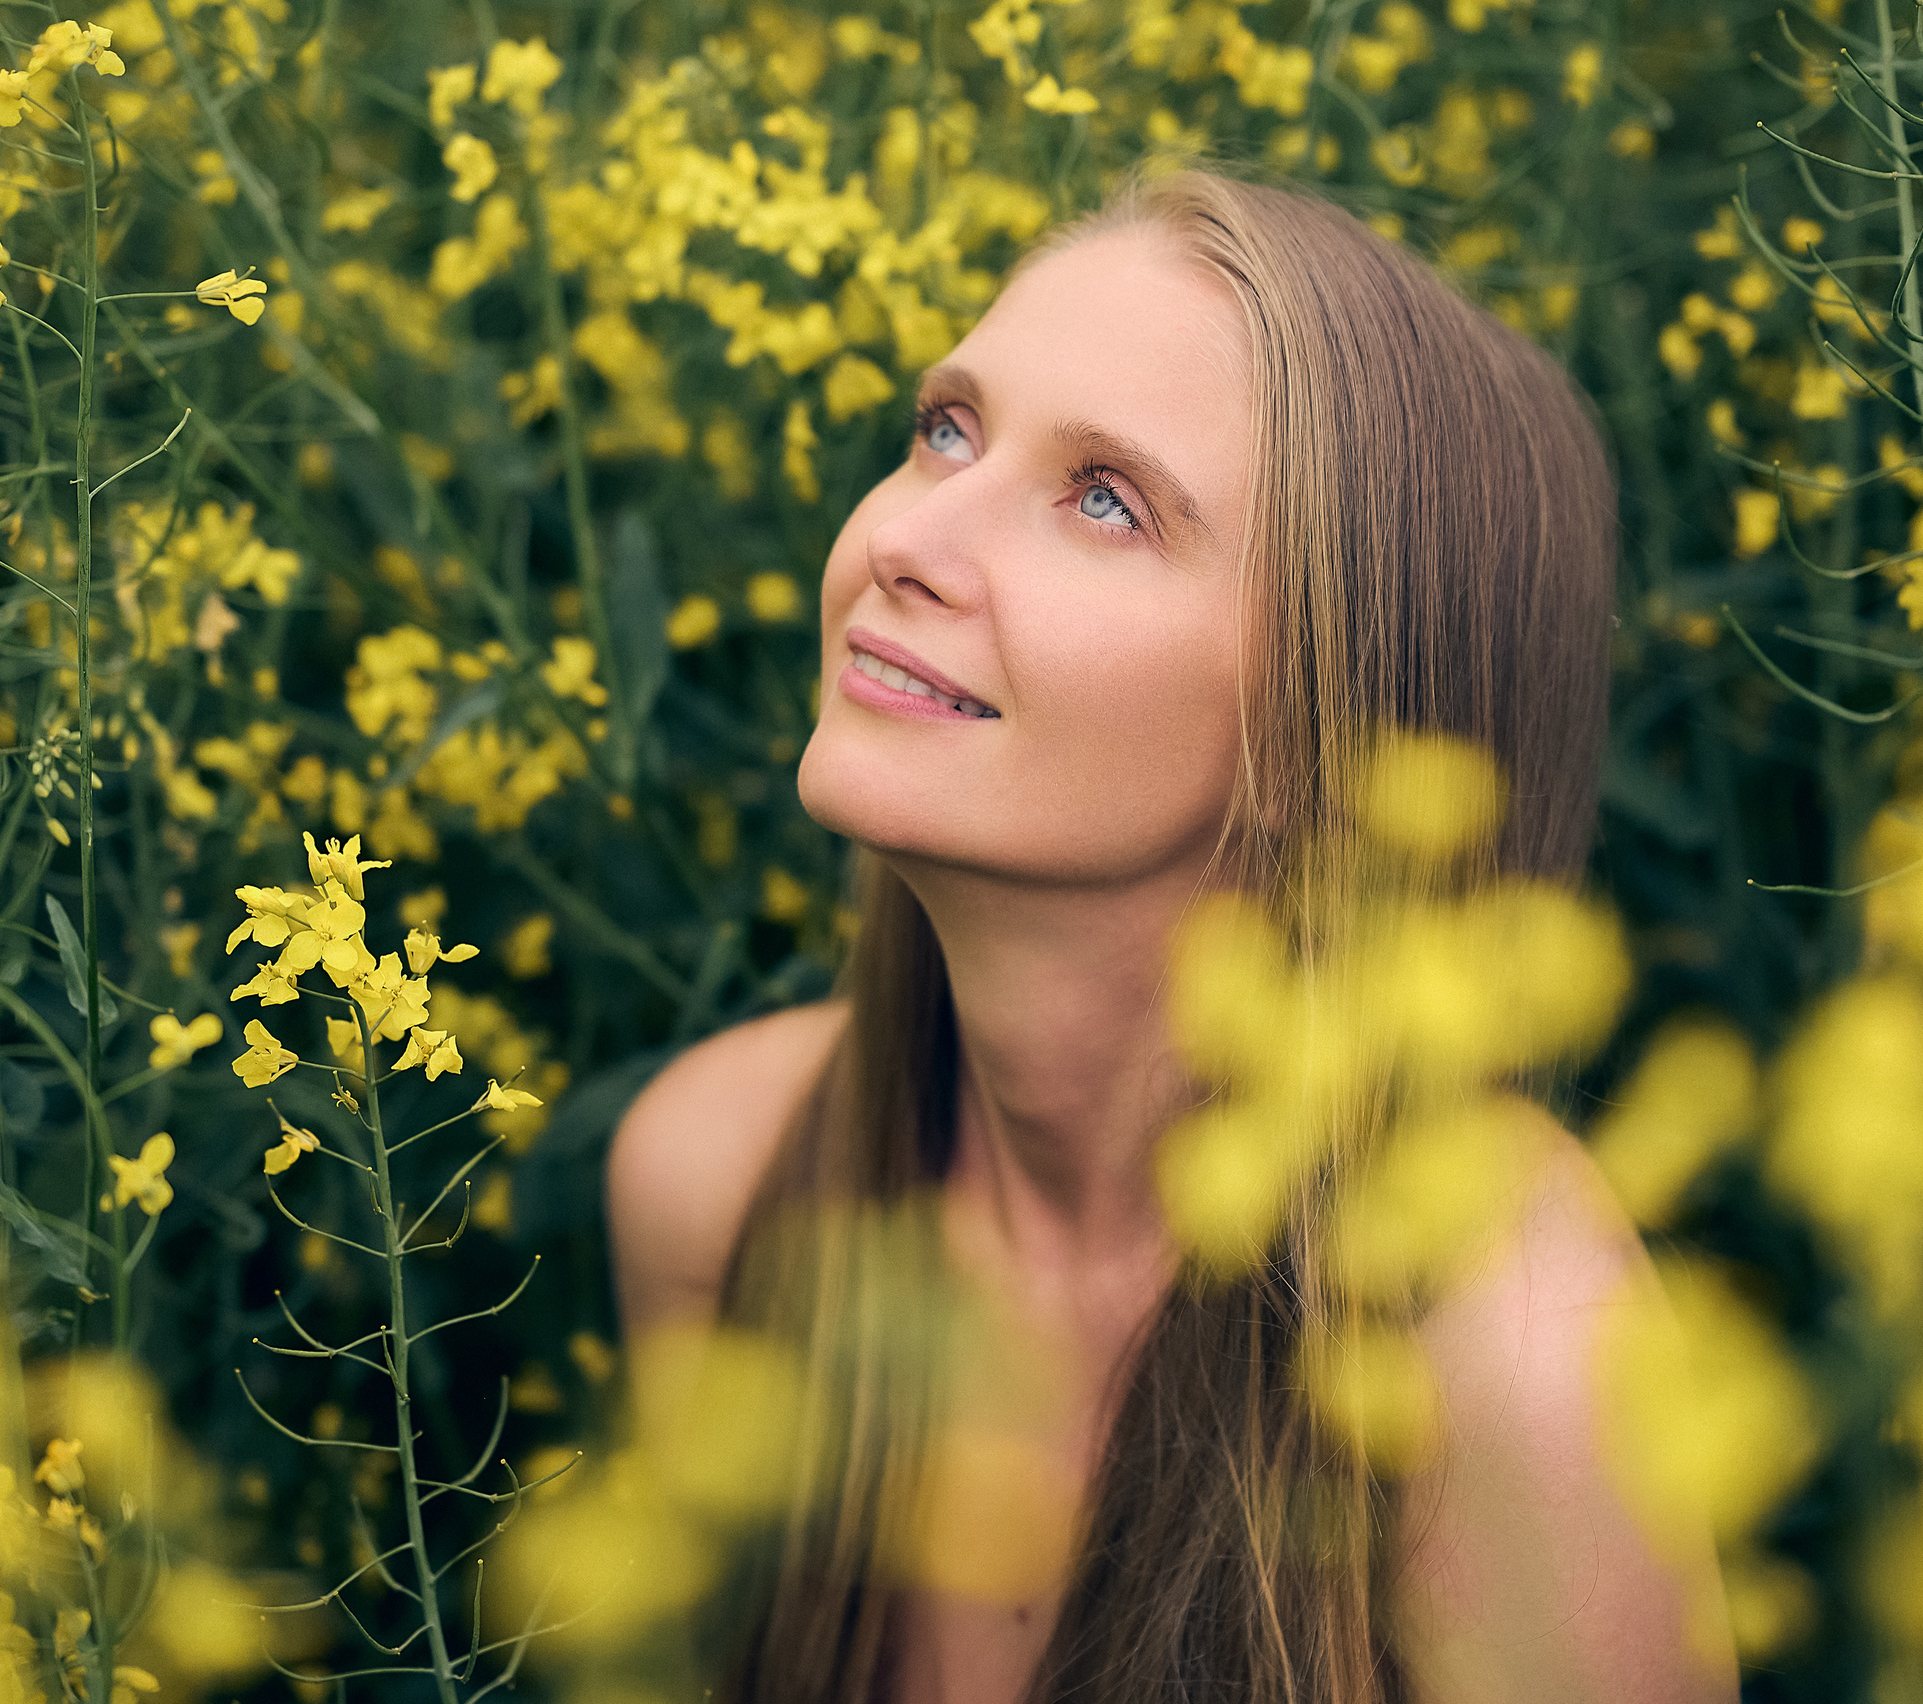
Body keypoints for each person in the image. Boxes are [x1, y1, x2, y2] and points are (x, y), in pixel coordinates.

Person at [605, 165, 1737, 1704]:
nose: (908, 541)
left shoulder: (1514, 1378)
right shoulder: (716, 1184)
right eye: (947, 428)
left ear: (1335, 733)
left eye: (1103, 500)